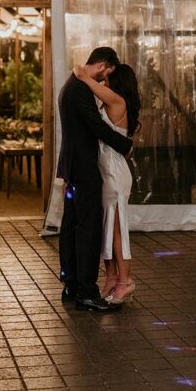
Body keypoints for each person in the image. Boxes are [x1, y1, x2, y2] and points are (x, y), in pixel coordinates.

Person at [57, 47, 133, 312]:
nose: (106, 81)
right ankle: (87, 292)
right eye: (107, 73)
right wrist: (126, 145)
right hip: (85, 168)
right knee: (88, 229)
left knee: (72, 226)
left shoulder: (72, 84)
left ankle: (72, 284)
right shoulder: (80, 88)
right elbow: (96, 127)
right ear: (102, 65)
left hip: (74, 166)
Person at [73, 62, 140, 305]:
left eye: (109, 77)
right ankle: (112, 278)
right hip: (107, 172)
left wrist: (85, 73)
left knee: (117, 232)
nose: (104, 80)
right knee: (107, 231)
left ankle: (125, 281)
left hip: (114, 173)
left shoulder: (117, 101)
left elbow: (86, 80)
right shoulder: (114, 101)